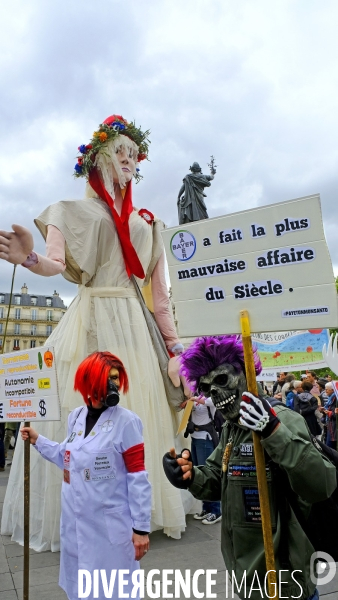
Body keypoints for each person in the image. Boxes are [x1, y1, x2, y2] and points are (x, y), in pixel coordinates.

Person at [0, 114, 190, 550]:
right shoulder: (74, 212)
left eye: (133, 156)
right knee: (80, 409)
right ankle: (82, 510)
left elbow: (160, 300)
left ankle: (139, 512)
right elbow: (53, 264)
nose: (129, 161)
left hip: (134, 326)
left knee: (137, 412)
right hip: (90, 316)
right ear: (99, 160)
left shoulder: (150, 224)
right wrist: (28, 260)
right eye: (120, 153)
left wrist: (177, 349)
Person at [163, 335, 336, 600]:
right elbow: (216, 478)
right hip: (247, 579)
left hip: (285, 582)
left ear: (246, 374)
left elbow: (321, 484)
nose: (215, 395)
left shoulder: (283, 419)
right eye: (208, 389)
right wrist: (189, 475)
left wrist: (272, 432)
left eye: (222, 381)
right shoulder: (232, 428)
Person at [20, 351, 151, 600]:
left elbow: (138, 476)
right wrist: (38, 440)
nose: (114, 385)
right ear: (89, 381)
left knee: (112, 591)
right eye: (108, 378)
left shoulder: (127, 422)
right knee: (80, 589)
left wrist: (141, 529)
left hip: (109, 529)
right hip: (75, 524)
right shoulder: (76, 418)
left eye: (116, 378)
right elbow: (68, 458)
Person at [183, 395, 222, 525]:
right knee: (199, 472)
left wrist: (197, 400)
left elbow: (214, 400)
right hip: (195, 437)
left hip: (205, 438)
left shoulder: (210, 395)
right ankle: (206, 508)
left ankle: (216, 510)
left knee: (208, 473)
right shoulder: (196, 394)